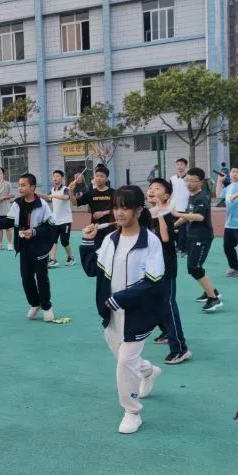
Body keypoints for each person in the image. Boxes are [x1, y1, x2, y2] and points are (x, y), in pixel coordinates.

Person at [80, 186, 165, 434]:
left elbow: (153, 281)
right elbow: (91, 270)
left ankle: (132, 411)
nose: (119, 212)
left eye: (125, 207)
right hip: (111, 314)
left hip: (139, 314)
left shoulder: (151, 242)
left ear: (139, 209)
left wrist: (121, 298)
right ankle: (149, 371)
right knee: (125, 360)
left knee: (125, 362)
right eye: (116, 207)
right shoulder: (109, 240)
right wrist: (86, 241)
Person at [147, 179, 190, 364]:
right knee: (150, 302)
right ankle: (166, 331)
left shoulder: (167, 213)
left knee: (168, 304)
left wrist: (161, 211)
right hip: (150, 267)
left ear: (166, 196)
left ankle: (180, 349)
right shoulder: (149, 213)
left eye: (157, 189)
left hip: (166, 266)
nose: (152, 191)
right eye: (150, 188)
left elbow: (165, 238)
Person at [5, 173, 55, 321]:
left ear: (32, 187)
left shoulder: (43, 205)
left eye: (23, 185)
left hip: (39, 247)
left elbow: (50, 227)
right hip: (23, 246)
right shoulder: (17, 204)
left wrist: (34, 232)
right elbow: (9, 221)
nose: (20, 188)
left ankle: (46, 306)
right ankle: (35, 303)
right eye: (19, 185)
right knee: (26, 277)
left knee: (41, 278)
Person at [175, 168, 222, 312]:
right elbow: (188, 215)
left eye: (192, 180)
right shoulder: (192, 196)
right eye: (186, 180)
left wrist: (176, 213)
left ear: (200, 182)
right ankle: (211, 291)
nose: (188, 183)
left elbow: (199, 217)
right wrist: (173, 225)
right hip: (193, 236)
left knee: (194, 268)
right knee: (196, 267)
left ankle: (213, 299)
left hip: (202, 237)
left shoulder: (202, 197)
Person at [72, 165, 115, 250]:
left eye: (102, 176)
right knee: (97, 253)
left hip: (111, 228)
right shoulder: (90, 193)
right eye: (97, 176)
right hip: (95, 229)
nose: (98, 178)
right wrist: (70, 191)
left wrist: (103, 213)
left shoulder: (113, 193)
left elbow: (119, 210)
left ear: (107, 179)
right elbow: (75, 203)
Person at [39, 169, 74, 267]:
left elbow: (66, 197)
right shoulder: (53, 189)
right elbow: (48, 197)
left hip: (66, 220)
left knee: (64, 241)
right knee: (53, 240)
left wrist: (54, 195)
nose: (55, 178)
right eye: (54, 176)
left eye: (58, 176)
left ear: (62, 178)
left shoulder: (66, 189)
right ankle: (53, 260)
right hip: (55, 220)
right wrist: (37, 194)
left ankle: (71, 257)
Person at [170, 158, 190, 254]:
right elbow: (169, 193)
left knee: (184, 230)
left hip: (185, 208)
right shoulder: (172, 179)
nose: (179, 166)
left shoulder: (189, 179)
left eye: (181, 164)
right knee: (174, 229)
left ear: (185, 166)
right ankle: (178, 246)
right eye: (178, 164)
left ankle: (185, 248)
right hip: (174, 208)